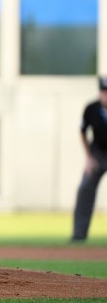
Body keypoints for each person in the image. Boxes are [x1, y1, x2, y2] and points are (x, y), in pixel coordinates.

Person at [72, 76, 107, 242]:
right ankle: (79, 234)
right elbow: (82, 132)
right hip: (97, 154)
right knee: (85, 188)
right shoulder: (91, 109)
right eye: (104, 92)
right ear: (99, 92)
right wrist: (88, 158)